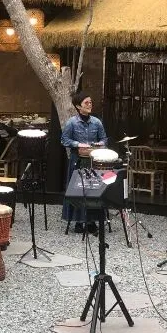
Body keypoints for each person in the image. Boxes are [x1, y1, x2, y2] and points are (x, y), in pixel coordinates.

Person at [60, 92, 107, 233]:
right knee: (77, 190)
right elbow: (64, 140)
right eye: (86, 102)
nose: (90, 104)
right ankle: (78, 221)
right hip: (78, 160)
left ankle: (92, 221)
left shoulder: (97, 122)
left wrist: (100, 143)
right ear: (78, 106)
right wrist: (78, 144)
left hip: (93, 160)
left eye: (91, 102)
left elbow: (104, 139)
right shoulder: (71, 122)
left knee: (93, 189)